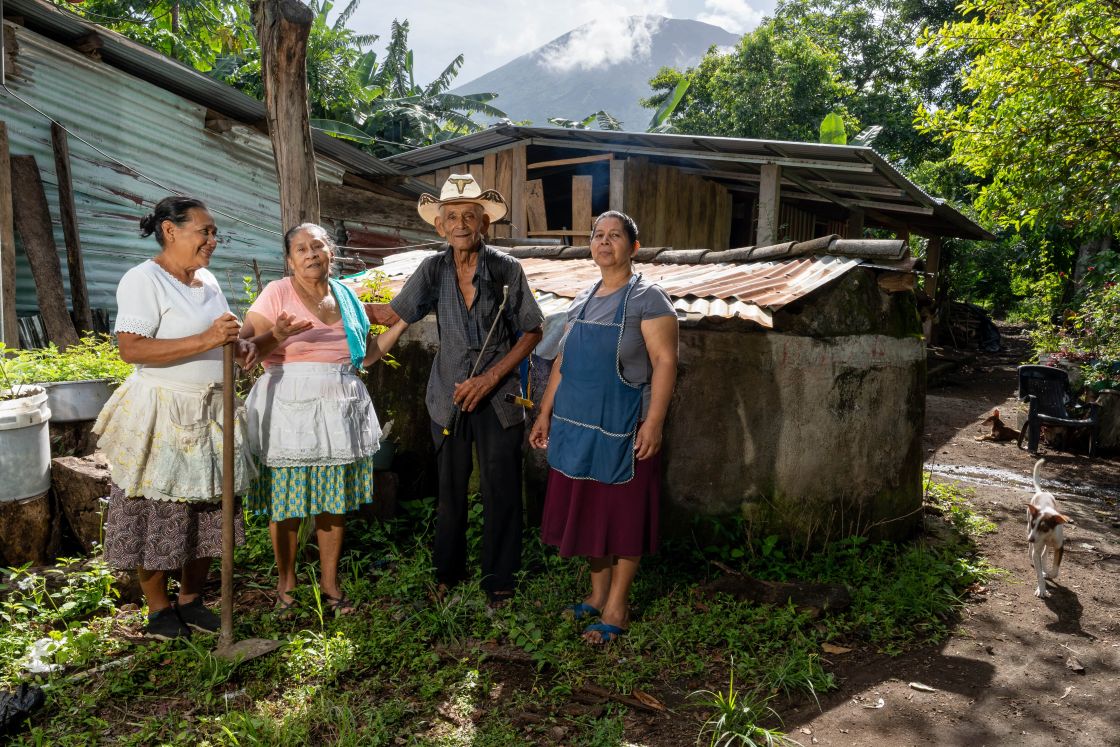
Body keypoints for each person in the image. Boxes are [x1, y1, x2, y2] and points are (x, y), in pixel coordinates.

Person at [94, 196, 258, 640]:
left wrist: (237, 346)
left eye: (214, 232)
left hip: (211, 412)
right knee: (157, 509)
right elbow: (132, 349)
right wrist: (207, 337)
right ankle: (159, 609)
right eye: (204, 231)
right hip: (165, 411)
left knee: (209, 508)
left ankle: (191, 599)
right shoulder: (143, 279)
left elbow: (221, 336)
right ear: (170, 230)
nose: (213, 240)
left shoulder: (206, 281)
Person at [386, 174, 543, 606]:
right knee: (450, 490)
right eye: (451, 216)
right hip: (448, 399)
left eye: (469, 216)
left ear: (483, 224)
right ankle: (447, 573)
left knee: (502, 488)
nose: (460, 224)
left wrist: (491, 377)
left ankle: (500, 579)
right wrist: (326, 304)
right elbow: (393, 314)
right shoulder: (432, 269)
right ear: (439, 226)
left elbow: (533, 330)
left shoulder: (507, 269)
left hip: (500, 399)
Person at [239, 223, 407, 616]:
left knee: (333, 503)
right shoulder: (277, 292)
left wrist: (399, 323)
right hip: (288, 405)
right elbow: (245, 350)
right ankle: (287, 586)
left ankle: (331, 585)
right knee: (287, 502)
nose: (311, 254)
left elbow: (363, 356)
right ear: (290, 259)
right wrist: (276, 334)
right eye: (301, 249)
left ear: (331, 252)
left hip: (338, 407)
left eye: (317, 246)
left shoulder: (347, 296)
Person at [528, 210, 679, 644]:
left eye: (615, 236)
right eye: (598, 235)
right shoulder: (583, 297)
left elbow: (665, 362)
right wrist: (544, 412)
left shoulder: (650, 298)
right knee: (591, 511)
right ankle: (596, 595)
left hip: (623, 425)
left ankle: (618, 606)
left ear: (633, 247)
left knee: (623, 515)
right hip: (577, 424)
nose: (604, 242)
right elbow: (562, 361)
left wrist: (654, 422)